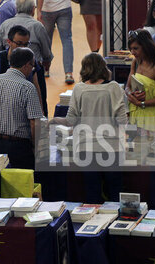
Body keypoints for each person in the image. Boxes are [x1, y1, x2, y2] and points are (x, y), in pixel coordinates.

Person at [49, 53, 128, 203]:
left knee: (92, 193)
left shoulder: (79, 89)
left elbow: (70, 120)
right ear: (104, 68)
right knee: (115, 192)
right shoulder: (114, 87)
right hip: (111, 148)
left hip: (86, 148)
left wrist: (53, 120)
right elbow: (122, 120)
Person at [0, 47, 43, 169]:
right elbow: (34, 123)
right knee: (20, 184)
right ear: (27, 65)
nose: (32, 70)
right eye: (32, 66)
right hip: (18, 147)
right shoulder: (28, 87)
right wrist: (34, 146)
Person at [0, 0, 52, 114]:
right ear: (32, 10)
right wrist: (45, 64)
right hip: (33, 70)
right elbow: (46, 53)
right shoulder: (37, 26)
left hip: (8, 70)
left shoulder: (6, 24)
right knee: (39, 105)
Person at [0, 25, 47, 116]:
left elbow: (37, 86)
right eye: (19, 43)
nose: (22, 47)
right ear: (9, 42)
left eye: (26, 44)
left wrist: (41, 110)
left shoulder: (31, 59)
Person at [126, 29, 155, 139]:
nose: (132, 52)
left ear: (146, 46)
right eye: (131, 49)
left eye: (135, 48)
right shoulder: (136, 62)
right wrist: (131, 94)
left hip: (153, 123)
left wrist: (142, 103)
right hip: (135, 121)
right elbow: (127, 87)